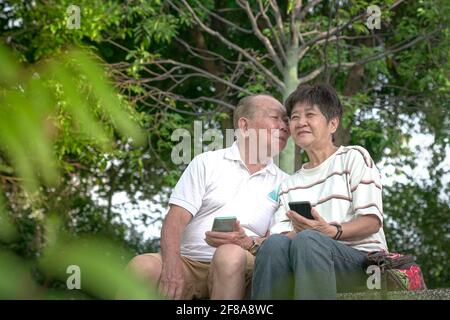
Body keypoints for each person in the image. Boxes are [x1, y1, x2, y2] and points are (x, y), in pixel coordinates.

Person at [123, 94, 289, 300]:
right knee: (142, 266)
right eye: (276, 118)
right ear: (244, 126)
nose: (284, 127)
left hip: (243, 264)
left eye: (286, 121)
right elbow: (175, 219)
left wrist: (246, 241)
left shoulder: (285, 183)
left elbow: (279, 242)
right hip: (189, 262)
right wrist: (172, 267)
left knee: (229, 255)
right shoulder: (207, 163)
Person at [251, 84, 388, 300]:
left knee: (309, 240)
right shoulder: (290, 183)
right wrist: (306, 230)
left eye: (310, 115)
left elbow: (371, 221)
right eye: (294, 117)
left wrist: (328, 231)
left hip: (364, 267)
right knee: (274, 244)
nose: (300, 122)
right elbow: (282, 236)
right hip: (307, 262)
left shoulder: (353, 157)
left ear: (332, 124)